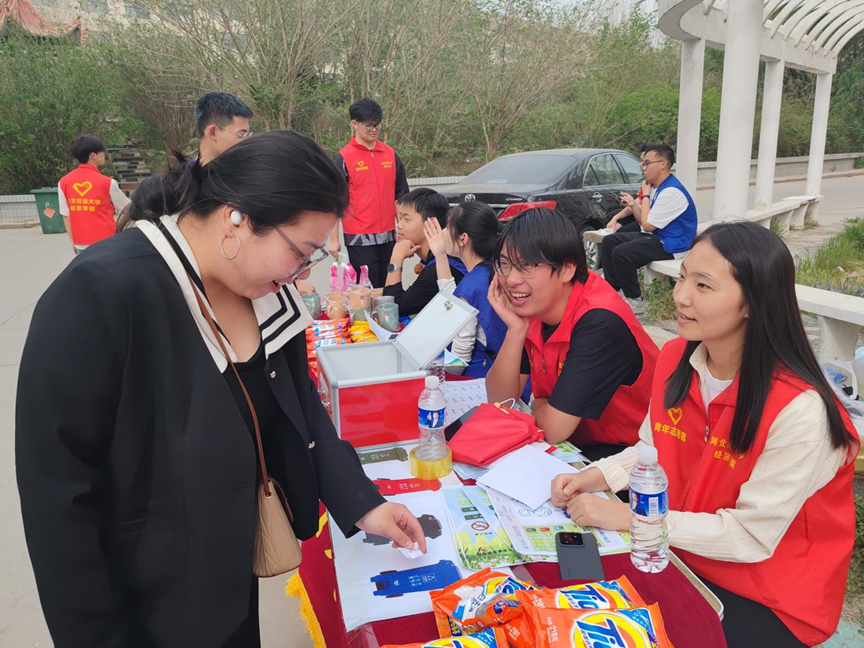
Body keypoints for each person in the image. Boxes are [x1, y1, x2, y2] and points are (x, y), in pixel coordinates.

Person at [16, 131, 427, 648]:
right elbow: (59, 500)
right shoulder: (101, 292)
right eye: (300, 253)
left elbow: (300, 413)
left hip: (227, 580)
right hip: (146, 601)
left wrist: (363, 503)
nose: (301, 275)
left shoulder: (264, 293)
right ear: (239, 217)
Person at [551, 221, 859, 647]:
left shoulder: (801, 411)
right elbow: (652, 447)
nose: (680, 296)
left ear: (752, 302)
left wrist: (632, 519)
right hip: (681, 553)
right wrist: (595, 476)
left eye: (703, 286)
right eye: (682, 278)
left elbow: (749, 536)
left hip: (769, 595)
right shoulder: (677, 358)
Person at [484, 208, 659, 460]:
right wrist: (516, 330)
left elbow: (555, 429)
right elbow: (499, 400)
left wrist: (536, 405)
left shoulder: (599, 322)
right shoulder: (536, 308)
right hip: (576, 444)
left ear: (567, 269)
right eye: (504, 264)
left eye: (526, 266)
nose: (511, 279)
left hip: (630, 454)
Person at [598, 143, 697, 314]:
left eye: (647, 163)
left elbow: (647, 225)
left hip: (673, 244)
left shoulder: (671, 191)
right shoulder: (657, 186)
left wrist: (645, 195)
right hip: (657, 236)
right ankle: (614, 290)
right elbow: (643, 221)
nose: (643, 167)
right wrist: (634, 204)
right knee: (609, 241)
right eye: (642, 163)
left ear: (663, 164)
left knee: (622, 253)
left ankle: (635, 300)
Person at [423, 201, 507, 377]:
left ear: (463, 239)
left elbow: (459, 361)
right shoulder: (489, 272)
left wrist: (434, 373)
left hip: (481, 375)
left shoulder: (473, 285)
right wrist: (440, 255)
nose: (442, 233)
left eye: (447, 228)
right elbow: (456, 304)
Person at [332, 98, 410, 286]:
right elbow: (335, 202)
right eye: (369, 125)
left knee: (390, 287)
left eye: (377, 125)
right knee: (367, 291)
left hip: (388, 237)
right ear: (354, 124)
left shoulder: (390, 155)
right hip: (359, 240)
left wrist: (403, 230)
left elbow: (400, 197)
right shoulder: (343, 158)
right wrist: (333, 240)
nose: (374, 130)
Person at [384, 188, 466, 316]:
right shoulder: (445, 254)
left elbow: (393, 309)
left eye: (406, 219)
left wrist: (396, 258)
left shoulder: (440, 267)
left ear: (430, 223)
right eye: (400, 218)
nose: (399, 225)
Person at [58, 134, 131, 254]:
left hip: (81, 244)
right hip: (107, 242)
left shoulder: (64, 182)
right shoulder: (108, 183)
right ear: (93, 155)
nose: (104, 154)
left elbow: (66, 215)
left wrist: (73, 242)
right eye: (101, 151)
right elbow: (127, 208)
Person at [195, 90, 254, 165]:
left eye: (248, 135)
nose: (248, 142)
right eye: (242, 135)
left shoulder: (250, 168)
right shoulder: (186, 172)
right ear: (213, 133)